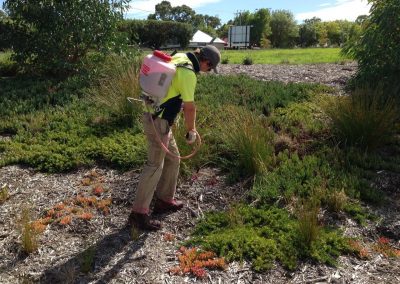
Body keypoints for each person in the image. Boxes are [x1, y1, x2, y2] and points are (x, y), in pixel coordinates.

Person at [128, 45, 221, 230]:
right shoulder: (189, 74)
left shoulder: (180, 56)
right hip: (158, 121)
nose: (208, 71)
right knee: (154, 165)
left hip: (159, 119)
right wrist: (191, 130)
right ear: (206, 62)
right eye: (210, 68)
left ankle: (164, 200)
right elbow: (189, 107)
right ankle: (138, 214)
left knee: (173, 159)